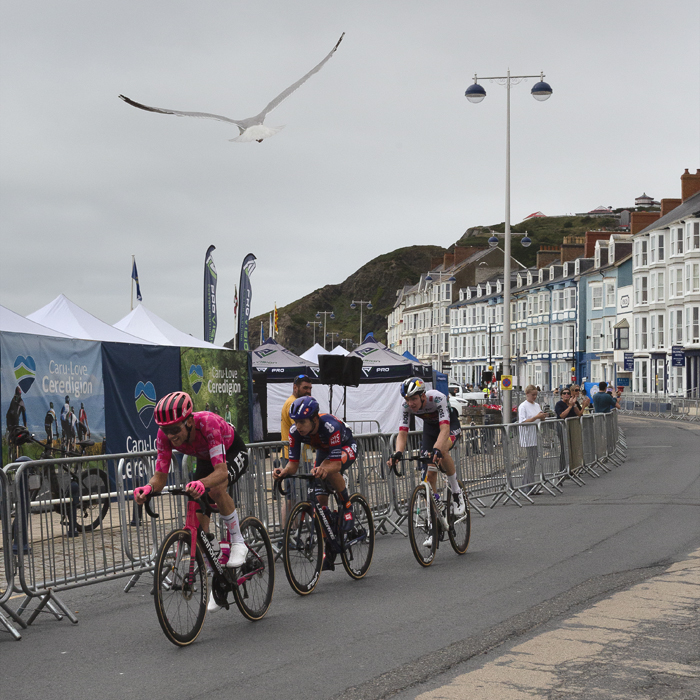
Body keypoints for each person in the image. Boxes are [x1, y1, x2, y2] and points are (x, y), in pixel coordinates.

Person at [133, 391, 249, 613]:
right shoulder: (164, 435)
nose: (171, 435)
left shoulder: (208, 424)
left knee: (214, 489)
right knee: (196, 510)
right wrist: (148, 489)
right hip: (206, 459)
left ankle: (238, 541)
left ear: (188, 421)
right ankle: (216, 577)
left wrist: (203, 483)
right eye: (166, 430)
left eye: (175, 429)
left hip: (232, 452)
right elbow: (160, 476)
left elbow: (221, 471)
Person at [273, 396, 357, 571]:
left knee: (328, 469)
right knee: (319, 501)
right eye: (296, 422)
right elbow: (293, 464)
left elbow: (334, 463)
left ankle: (347, 505)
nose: (299, 426)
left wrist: (324, 469)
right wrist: (284, 472)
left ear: (314, 419)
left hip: (346, 446)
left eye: (303, 422)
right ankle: (329, 543)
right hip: (324, 450)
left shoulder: (329, 427)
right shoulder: (295, 432)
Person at [387, 378, 466, 522]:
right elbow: (402, 432)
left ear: (423, 396)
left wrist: (437, 449)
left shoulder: (437, 398)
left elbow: (444, 429)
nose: (411, 403)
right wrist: (398, 452)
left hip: (449, 426)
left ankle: (456, 492)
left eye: (414, 399)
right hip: (430, 429)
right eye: (407, 399)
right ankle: (435, 516)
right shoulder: (406, 406)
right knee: (429, 473)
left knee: (442, 450)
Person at [278, 375, 313, 522]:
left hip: (303, 456)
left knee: (300, 496)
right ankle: (286, 534)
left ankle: (292, 532)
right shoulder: (293, 403)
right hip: (293, 456)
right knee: (292, 497)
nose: (308, 391)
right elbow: (302, 428)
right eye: (305, 388)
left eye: (310, 388)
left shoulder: (299, 402)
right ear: (295, 387)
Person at [518, 385, 547, 490]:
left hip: (536, 436)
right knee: (531, 461)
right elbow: (522, 422)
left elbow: (539, 418)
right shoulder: (523, 406)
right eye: (533, 395)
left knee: (533, 462)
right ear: (527, 394)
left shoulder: (537, 405)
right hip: (528, 437)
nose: (535, 397)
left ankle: (529, 485)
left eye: (536, 395)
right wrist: (536, 417)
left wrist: (543, 417)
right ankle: (527, 486)